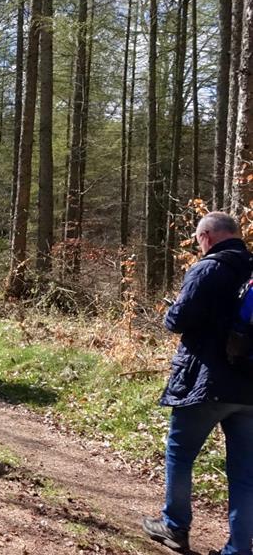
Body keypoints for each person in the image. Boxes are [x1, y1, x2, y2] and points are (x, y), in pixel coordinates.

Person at [142, 212, 253, 555]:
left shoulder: (207, 268)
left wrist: (171, 310)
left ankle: (175, 526)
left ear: (207, 237)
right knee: (244, 472)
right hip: (250, 388)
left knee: (180, 452)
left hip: (206, 383)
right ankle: (239, 548)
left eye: (198, 239)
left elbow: (178, 319)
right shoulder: (251, 270)